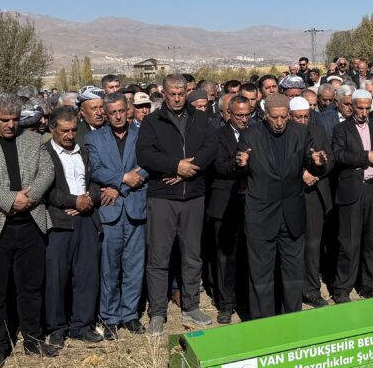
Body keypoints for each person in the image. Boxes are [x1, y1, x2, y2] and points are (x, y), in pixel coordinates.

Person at [0, 92, 58, 364]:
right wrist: (10, 200)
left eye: (15, 119)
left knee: (31, 288)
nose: (10, 125)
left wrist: (28, 199)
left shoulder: (33, 140)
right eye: (4, 119)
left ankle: (33, 339)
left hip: (30, 222)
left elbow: (47, 172)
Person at [135, 74, 219, 334]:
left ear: (187, 92)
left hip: (193, 195)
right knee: (159, 257)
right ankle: (158, 312)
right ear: (163, 92)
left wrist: (189, 170)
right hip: (163, 197)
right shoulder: (152, 121)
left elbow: (211, 147)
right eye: (171, 93)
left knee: (192, 255)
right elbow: (145, 154)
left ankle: (191, 306)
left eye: (181, 93)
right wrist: (174, 166)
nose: (176, 97)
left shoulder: (202, 118)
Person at [228, 96, 325, 317]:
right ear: (264, 115)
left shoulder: (301, 133)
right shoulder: (250, 135)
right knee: (261, 277)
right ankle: (263, 325)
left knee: (293, 276)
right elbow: (239, 170)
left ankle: (292, 321)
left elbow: (312, 160)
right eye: (275, 117)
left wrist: (319, 163)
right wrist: (241, 165)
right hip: (261, 216)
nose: (280, 122)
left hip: (292, 215)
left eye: (284, 117)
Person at [85, 92, 149, 337]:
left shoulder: (142, 133)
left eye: (122, 111)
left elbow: (148, 162)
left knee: (134, 265)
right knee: (109, 266)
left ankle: (130, 314)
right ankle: (110, 316)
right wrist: (123, 178)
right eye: (113, 112)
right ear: (105, 114)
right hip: (109, 210)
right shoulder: (93, 138)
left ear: (128, 110)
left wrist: (119, 186)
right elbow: (95, 169)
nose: (119, 116)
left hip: (135, 207)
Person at [42, 106, 103, 346]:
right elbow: (46, 190)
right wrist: (72, 201)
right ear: (51, 130)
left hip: (87, 219)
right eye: (64, 131)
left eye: (73, 130)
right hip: (59, 222)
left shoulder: (84, 152)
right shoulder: (44, 153)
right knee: (57, 278)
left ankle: (82, 324)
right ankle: (57, 328)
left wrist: (89, 199)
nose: (69, 135)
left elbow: (96, 181)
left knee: (87, 274)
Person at [330, 90, 373, 302]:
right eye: (360, 108)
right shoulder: (341, 129)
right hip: (352, 190)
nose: (364, 112)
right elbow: (339, 155)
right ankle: (342, 288)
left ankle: (370, 285)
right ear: (352, 106)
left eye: (368, 108)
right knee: (348, 242)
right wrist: (365, 157)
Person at [207, 96, 251, 323]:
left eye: (247, 114)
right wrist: (240, 163)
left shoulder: (256, 132)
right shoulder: (217, 136)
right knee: (225, 257)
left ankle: (245, 299)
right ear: (228, 114)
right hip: (225, 203)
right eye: (239, 115)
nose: (244, 119)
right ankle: (225, 304)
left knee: (247, 255)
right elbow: (219, 166)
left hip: (251, 203)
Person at [287, 96, 334, 305]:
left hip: (315, 193)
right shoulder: (283, 133)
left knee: (313, 245)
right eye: (298, 117)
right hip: (291, 195)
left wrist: (318, 171)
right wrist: (301, 175)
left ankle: (312, 290)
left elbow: (330, 159)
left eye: (306, 116)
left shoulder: (318, 131)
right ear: (290, 116)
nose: (302, 121)